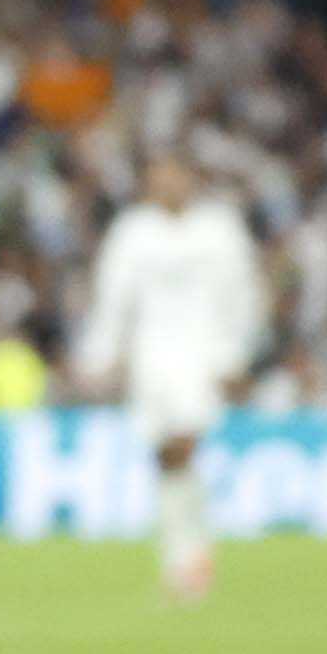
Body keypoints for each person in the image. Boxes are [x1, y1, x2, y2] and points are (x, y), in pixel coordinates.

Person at [74, 153, 265, 602]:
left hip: (202, 355)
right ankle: (184, 553)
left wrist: (236, 356)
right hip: (151, 356)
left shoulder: (219, 229)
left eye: (174, 176)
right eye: (158, 177)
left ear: (190, 179)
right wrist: (99, 355)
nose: (167, 185)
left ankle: (189, 555)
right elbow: (113, 297)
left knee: (183, 444)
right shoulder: (133, 232)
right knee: (165, 456)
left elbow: (243, 295)